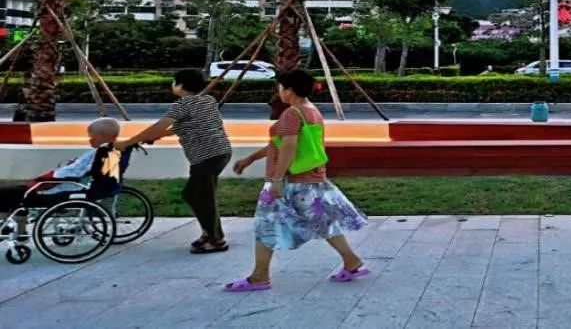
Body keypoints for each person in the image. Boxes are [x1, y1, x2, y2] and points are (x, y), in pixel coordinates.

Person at [223, 69, 369, 292]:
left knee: (266, 225)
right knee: (325, 220)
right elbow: (282, 144)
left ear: (289, 90)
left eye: (280, 88)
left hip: (292, 181)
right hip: (312, 178)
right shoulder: (311, 111)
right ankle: (351, 261)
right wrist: (251, 158)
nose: (279, 92)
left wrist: (277, 179)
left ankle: (259, 276)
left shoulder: (292, 114)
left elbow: (289, 146)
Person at [116, 69, 232, 254]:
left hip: (205, 156)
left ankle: (216, 240)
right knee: (198, 195)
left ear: (180, 85)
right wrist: (156, 136)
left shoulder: (183, 104)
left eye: (173, 82)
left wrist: (127, 142)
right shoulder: (208, 101)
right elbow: (184, 127)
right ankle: (209, 233)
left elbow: (159, 126)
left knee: (200, 196)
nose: (172, 85)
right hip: (221, 152)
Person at [0, 117, 121, 236]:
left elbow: (78, 172)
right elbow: (81, 169)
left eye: (92, 136)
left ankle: (14, 225)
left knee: (10, 193)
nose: (89, 140)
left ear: (105, 136)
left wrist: (54, 176)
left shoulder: (102, 154)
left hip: (62, 188)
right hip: (63, 184)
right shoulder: (104, 152)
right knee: (15, 192)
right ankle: (15, 222)